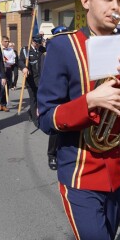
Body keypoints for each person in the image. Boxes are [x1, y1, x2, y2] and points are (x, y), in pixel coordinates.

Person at [37, 0, 120, 240]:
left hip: (118, 171)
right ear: (86, 1)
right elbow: (46, 118)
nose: (115, 7)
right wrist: (90, 100)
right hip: (81, 174)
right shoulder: (63, 47)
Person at [46, 26, 69, 170]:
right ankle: (52, 154)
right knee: (56, 127)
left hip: (71, 94)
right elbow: (45, 79)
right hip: (55, 95)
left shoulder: (72, 52)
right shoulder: (48, 55)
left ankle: (65, 153)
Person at [18, 35, 46, 127]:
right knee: (33, 98)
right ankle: (36, 119)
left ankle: (31, 111)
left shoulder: (42, 49)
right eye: (36, 44)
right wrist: (24, 68)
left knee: (40, 98)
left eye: (39, 44)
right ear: (33, 42)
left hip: (41, 78)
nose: (38, 45)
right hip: (31, 79)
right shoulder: (25, 50)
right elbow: (20, 61)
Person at [0, 36, 16, 112]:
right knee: (2, 87)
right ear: (2, 42)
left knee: (7, 87)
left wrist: (6, 61)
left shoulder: (11, 50)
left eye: (8, 41)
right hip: (1, 70)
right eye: (5, 41)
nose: (7, 43)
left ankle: (4, 104)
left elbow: (12, 61)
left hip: (8, 69)